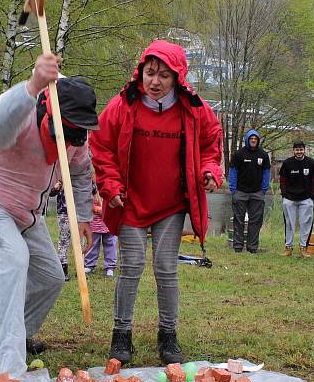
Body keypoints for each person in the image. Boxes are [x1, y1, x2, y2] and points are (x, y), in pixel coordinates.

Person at [0, 54, 97, 376]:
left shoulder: (77, 138)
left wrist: (83, 217)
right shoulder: (24, 110)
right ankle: (3, 368)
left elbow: (82, 174)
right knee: (12, 263)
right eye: (69, 129)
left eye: (79, 131)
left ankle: (17, 335)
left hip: (24, 212)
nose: (73, 139)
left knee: (50, 276)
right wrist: (32, 86)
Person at [90, 39, 223, 365]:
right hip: (131, 202)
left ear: (177, 76)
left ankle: (168, 335)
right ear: (141, 72)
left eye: (164, 75)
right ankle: (121, 334)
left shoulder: (194, 108)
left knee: (166, 270)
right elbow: (101, 145)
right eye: (150, 73)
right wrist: (111, 184)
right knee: (131, 268)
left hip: (172, 205)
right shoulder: (123, 105)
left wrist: (209, 170)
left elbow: (211, 142)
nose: (155, 81)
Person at [229, 129, 270, 253]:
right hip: (240, 192)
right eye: (251, 138)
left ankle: (252, 247)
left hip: (257, 193)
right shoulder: (238, 154)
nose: (253, 140)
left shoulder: (263, 155)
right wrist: (233, 189)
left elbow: (266, 173)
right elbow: (232, 172)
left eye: (255, 139)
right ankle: (237, 246)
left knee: (255, 221)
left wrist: (263, 190)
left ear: (258, 140)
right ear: (247, 140)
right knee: (238, 220)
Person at [279, 141, 314, 257]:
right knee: (289, 223)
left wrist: (311, 196)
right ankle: (288, 248)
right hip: (290, 198)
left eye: (301, 149)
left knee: (305, 223)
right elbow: (282, 180)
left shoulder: (311, 163)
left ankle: (303, 248)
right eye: (297, 149)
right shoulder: (287, 163)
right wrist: (284, 195)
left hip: (306, 198)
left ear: (304, 150)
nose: (299, 152)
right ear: (293, 150)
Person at [84, 183, 117, 277]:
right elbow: (85, 203)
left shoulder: (111, 188)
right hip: (94, 224)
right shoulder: (91, 189)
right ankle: (89, 264)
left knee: (110, 244)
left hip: (109, 224)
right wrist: (96, 208)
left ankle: (110, 266)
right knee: (93, 244)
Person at [49, 180, 71, 281]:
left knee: (79, 241)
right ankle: (63, 269)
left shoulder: (80, 176)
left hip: (79, 213)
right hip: (64, 213)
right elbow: (51, 193)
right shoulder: (61, 178)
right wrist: (56, 187)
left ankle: (83, 267)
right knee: (63, 240)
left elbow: (92, 190)